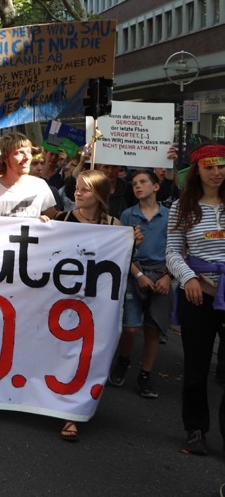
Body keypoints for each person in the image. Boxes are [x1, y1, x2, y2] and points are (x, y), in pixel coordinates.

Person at [53, 168, 121, 441]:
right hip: (63, 300)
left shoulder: (115, 226)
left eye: (84, 189)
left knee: (87, 356)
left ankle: (73, 413)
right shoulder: (63, 219)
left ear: (100, 194)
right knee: (61, 353)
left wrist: (134, 243)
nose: (77, 193)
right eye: (76, 188)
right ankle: (53, 400)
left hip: (98, 303)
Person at [167, 144, 225, 456]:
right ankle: (195, 429)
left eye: (222, 166)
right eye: (209, 166)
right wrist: (187, 277)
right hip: (198, 295)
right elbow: (173, 251)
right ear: (197, 170)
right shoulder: (183, 207)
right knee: (196, 367)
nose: (217, 172)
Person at [111, 169, 172, 399]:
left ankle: (145, 374)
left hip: (162, 274)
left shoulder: (169, 216)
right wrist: (138, 276)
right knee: (130, 327)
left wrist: (168, 276)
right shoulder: (128, 215)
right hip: (134, 273)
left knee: (153, 329)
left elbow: (177, 249)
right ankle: (124, 360)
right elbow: (123, 252)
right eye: (134, 183)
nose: (137, 186)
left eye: (143, 182)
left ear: (156, 187)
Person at [0, 133, 57, 220]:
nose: (27, 157)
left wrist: (44, 220)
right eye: (19, 153)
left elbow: (53, 218)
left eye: (28, 152)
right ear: (5, 158)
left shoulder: (40, 185)